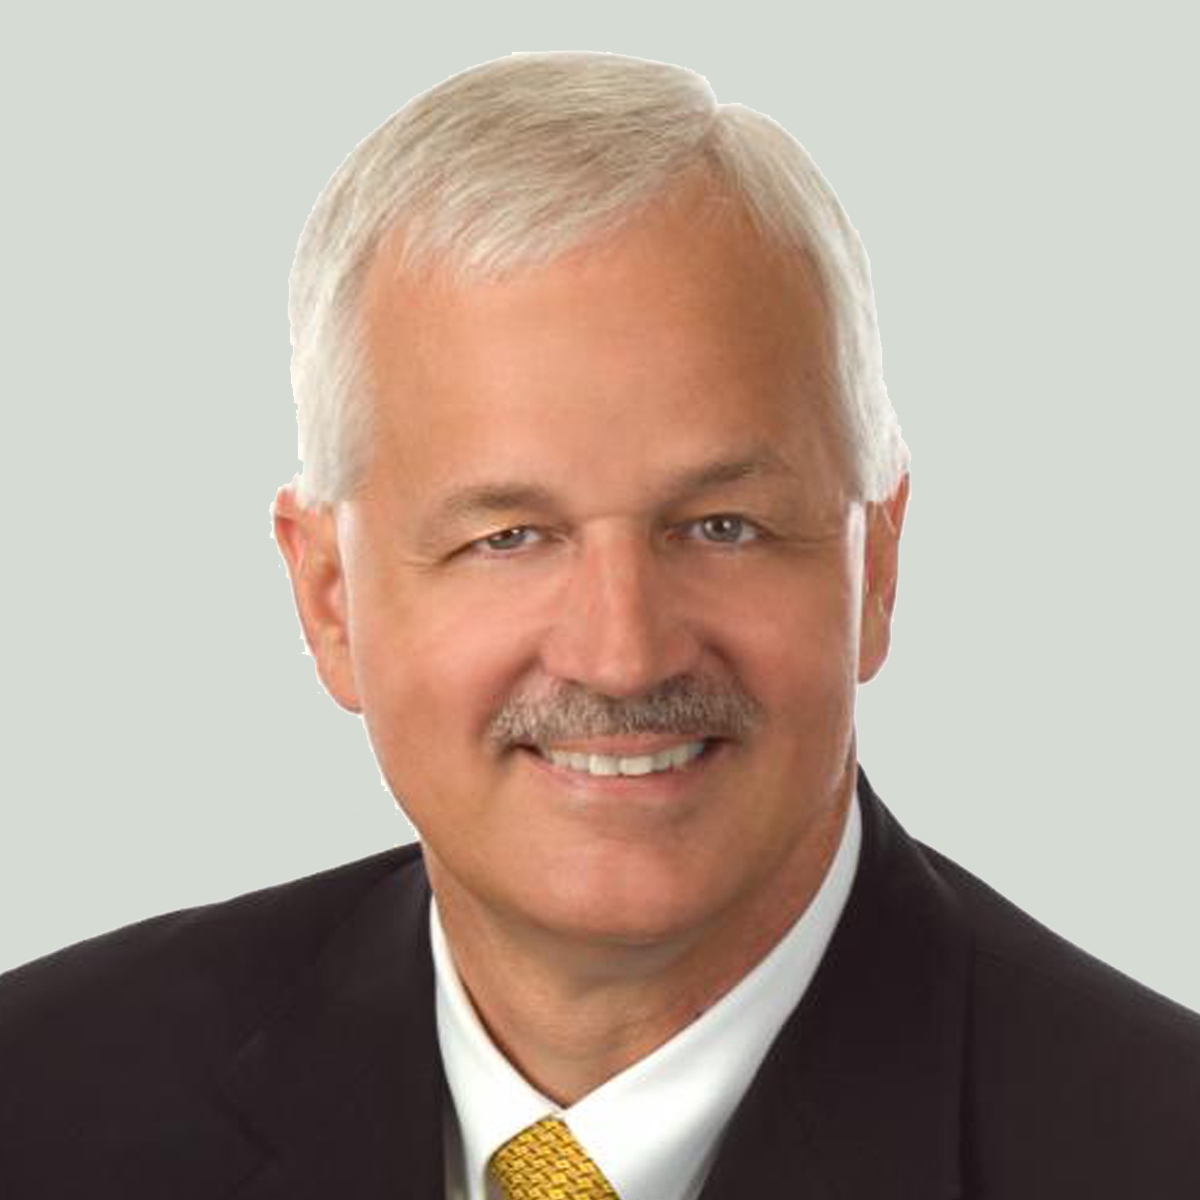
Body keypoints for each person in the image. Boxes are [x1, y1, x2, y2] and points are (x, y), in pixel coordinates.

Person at [1, 51, 1197, 1200]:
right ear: (327, 599)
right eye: (507, 537)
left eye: (721, 525)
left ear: (874, 565)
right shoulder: (42, 1102)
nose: (622, 655)